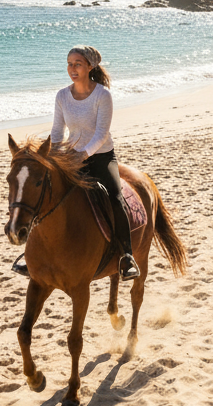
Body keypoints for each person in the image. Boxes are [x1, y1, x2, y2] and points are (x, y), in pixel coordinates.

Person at [14, 45, 139, 280]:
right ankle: (31, 257)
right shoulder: (62, 96)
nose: (72, 69)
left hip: (101, 157)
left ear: (90, 67)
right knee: (43, 194)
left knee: (115, 197)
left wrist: (83, 154)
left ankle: (126, 257)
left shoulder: (103, 95)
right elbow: (57, 132)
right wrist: (50, 155)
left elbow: (101, 133)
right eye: (69, 63)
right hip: (70, 158)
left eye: (77, 64)